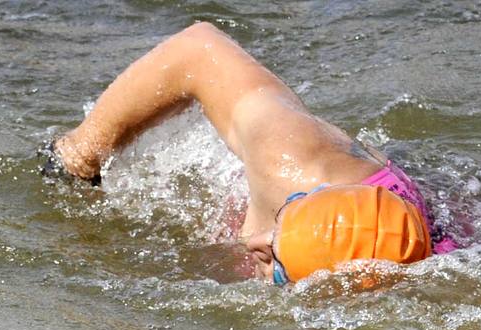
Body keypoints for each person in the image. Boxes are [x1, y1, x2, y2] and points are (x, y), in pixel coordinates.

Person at [42, 22, 456, 284]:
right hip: (335, 175)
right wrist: (80, 156)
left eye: (276, 262)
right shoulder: (286, 155)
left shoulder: (418, 272)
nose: (258, 243)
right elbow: (197, 47)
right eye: (280, 223)